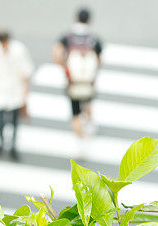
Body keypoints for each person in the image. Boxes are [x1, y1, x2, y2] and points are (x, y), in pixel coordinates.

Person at [0, 30, 34, 160]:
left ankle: (13, 146)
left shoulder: (19, 50)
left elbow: (25, 71)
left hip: (14, 90)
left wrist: (25, 91)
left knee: (15, 122)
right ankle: (1, 140)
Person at [52, 8, 103, 138]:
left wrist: (66, 68)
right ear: (89, 20)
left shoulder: (68, 36)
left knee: (75, 112)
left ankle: (79, 138)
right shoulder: (93, 38)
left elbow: (56, 55)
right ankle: (89, 128)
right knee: (88, 104)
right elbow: (100, 60)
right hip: (88, 81)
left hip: (73, 81)